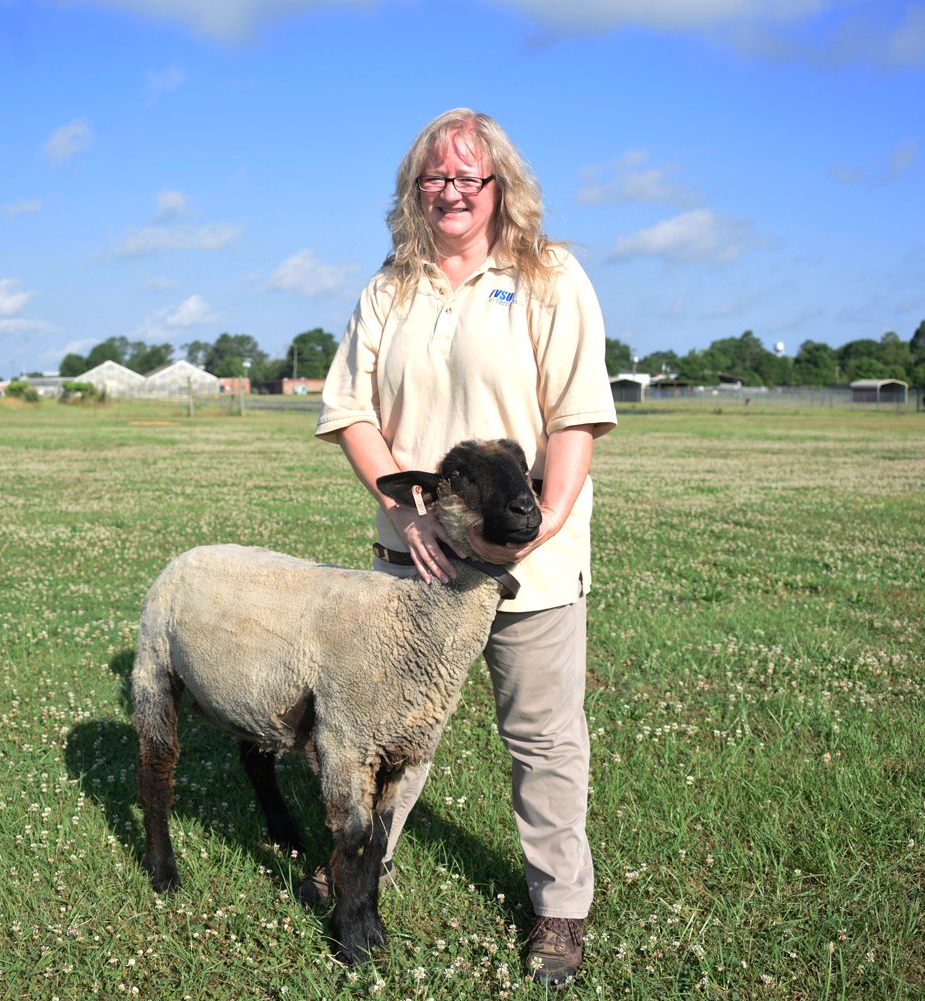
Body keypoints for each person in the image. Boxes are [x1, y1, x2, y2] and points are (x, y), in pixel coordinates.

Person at [314, 108, 618, 989]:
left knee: (543, 737)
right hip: (416, 562)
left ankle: (560, 908)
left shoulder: (550, 275)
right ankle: (359, 866)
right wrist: (407, 514)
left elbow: (576, 412)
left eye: (467, 177)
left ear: (499, 189)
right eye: (433, 178)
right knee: (384, 732)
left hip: (532, 562)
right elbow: (352, 413)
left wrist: (546, 520)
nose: (450, 191)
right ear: (416, 191)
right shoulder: (389, 287)